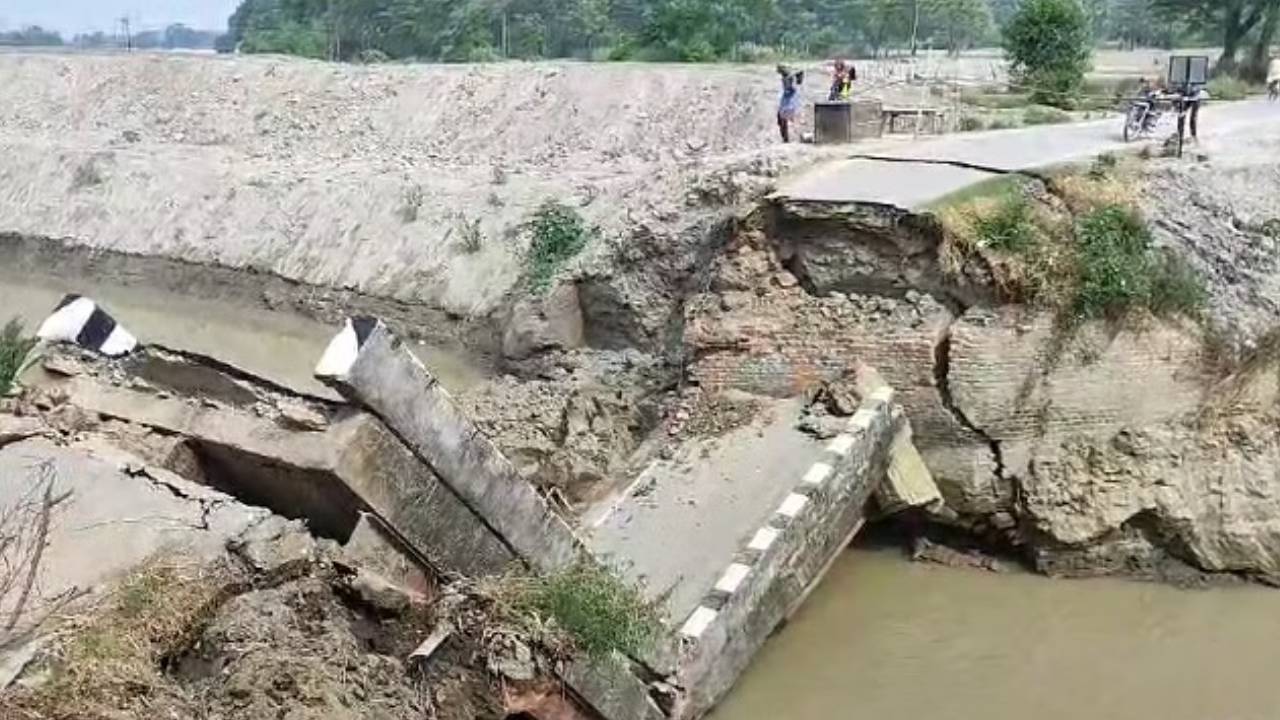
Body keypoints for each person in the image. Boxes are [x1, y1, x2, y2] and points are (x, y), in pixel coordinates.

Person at [777, 65, 804, 143]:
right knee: (781, 119)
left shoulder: (789, 78)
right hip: (787, 100)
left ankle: (786, 138)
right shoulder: (788, 77)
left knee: (783, 119)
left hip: (789, 101)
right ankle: (786, 138)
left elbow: (793, 86)